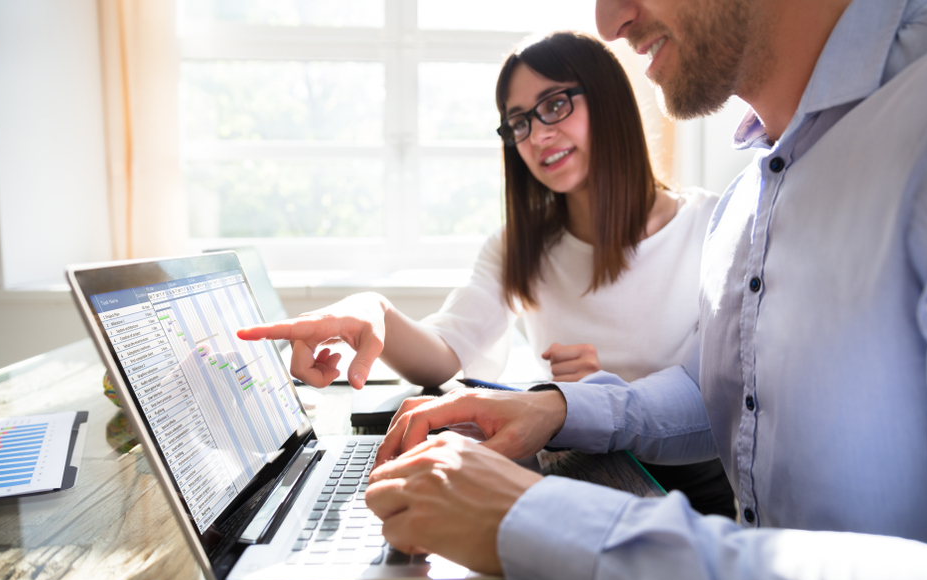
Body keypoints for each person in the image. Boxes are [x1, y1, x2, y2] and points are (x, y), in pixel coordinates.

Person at [360, 0, 927, 580]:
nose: (608, 21)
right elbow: (710, 386)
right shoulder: (752, 196)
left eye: (554, 105)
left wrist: (536, 523)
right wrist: (554, 407)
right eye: (519, 121)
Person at [239, 32, 735, 518]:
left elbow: (725, 398)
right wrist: (374, 311)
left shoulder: (715, 226)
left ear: (610, 101)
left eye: (555, 105)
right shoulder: (517, 246)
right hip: (581, 479)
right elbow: (442, 355)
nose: (538, 135)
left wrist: (599, 394)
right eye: (517, 122)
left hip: (690, 491)